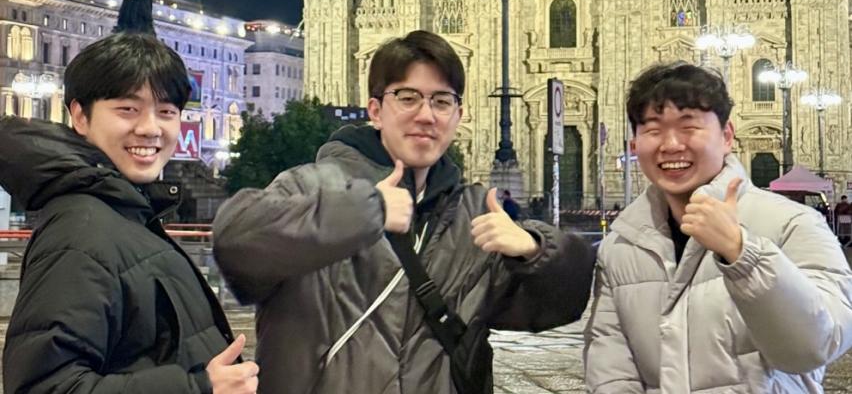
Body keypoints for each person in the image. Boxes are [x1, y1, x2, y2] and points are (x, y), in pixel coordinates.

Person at [213, 30, 595, 393]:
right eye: (408, 98)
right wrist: (365, 211)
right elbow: (236, 246)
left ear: (458, 116)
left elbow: (561, 304)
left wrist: (534, 249)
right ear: (376, 111)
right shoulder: (312, 186)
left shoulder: (474, 214)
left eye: (441, 101)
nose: (426, 115)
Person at [0, 33, 258, 394]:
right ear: (80, 115)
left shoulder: (126, 216)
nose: (151, 128)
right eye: (128, 109)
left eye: (167, 112)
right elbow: (44, 387)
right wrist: (198, 387)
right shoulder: (81, 234)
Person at [584, 62, 852, 393]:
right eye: (652, 129)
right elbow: (611, 373)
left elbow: (815, 346)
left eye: (689, 127)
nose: (670, 144)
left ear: (727, 137)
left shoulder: (794, 224)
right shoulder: (622, 246)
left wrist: (743, 254)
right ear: (635, 145)